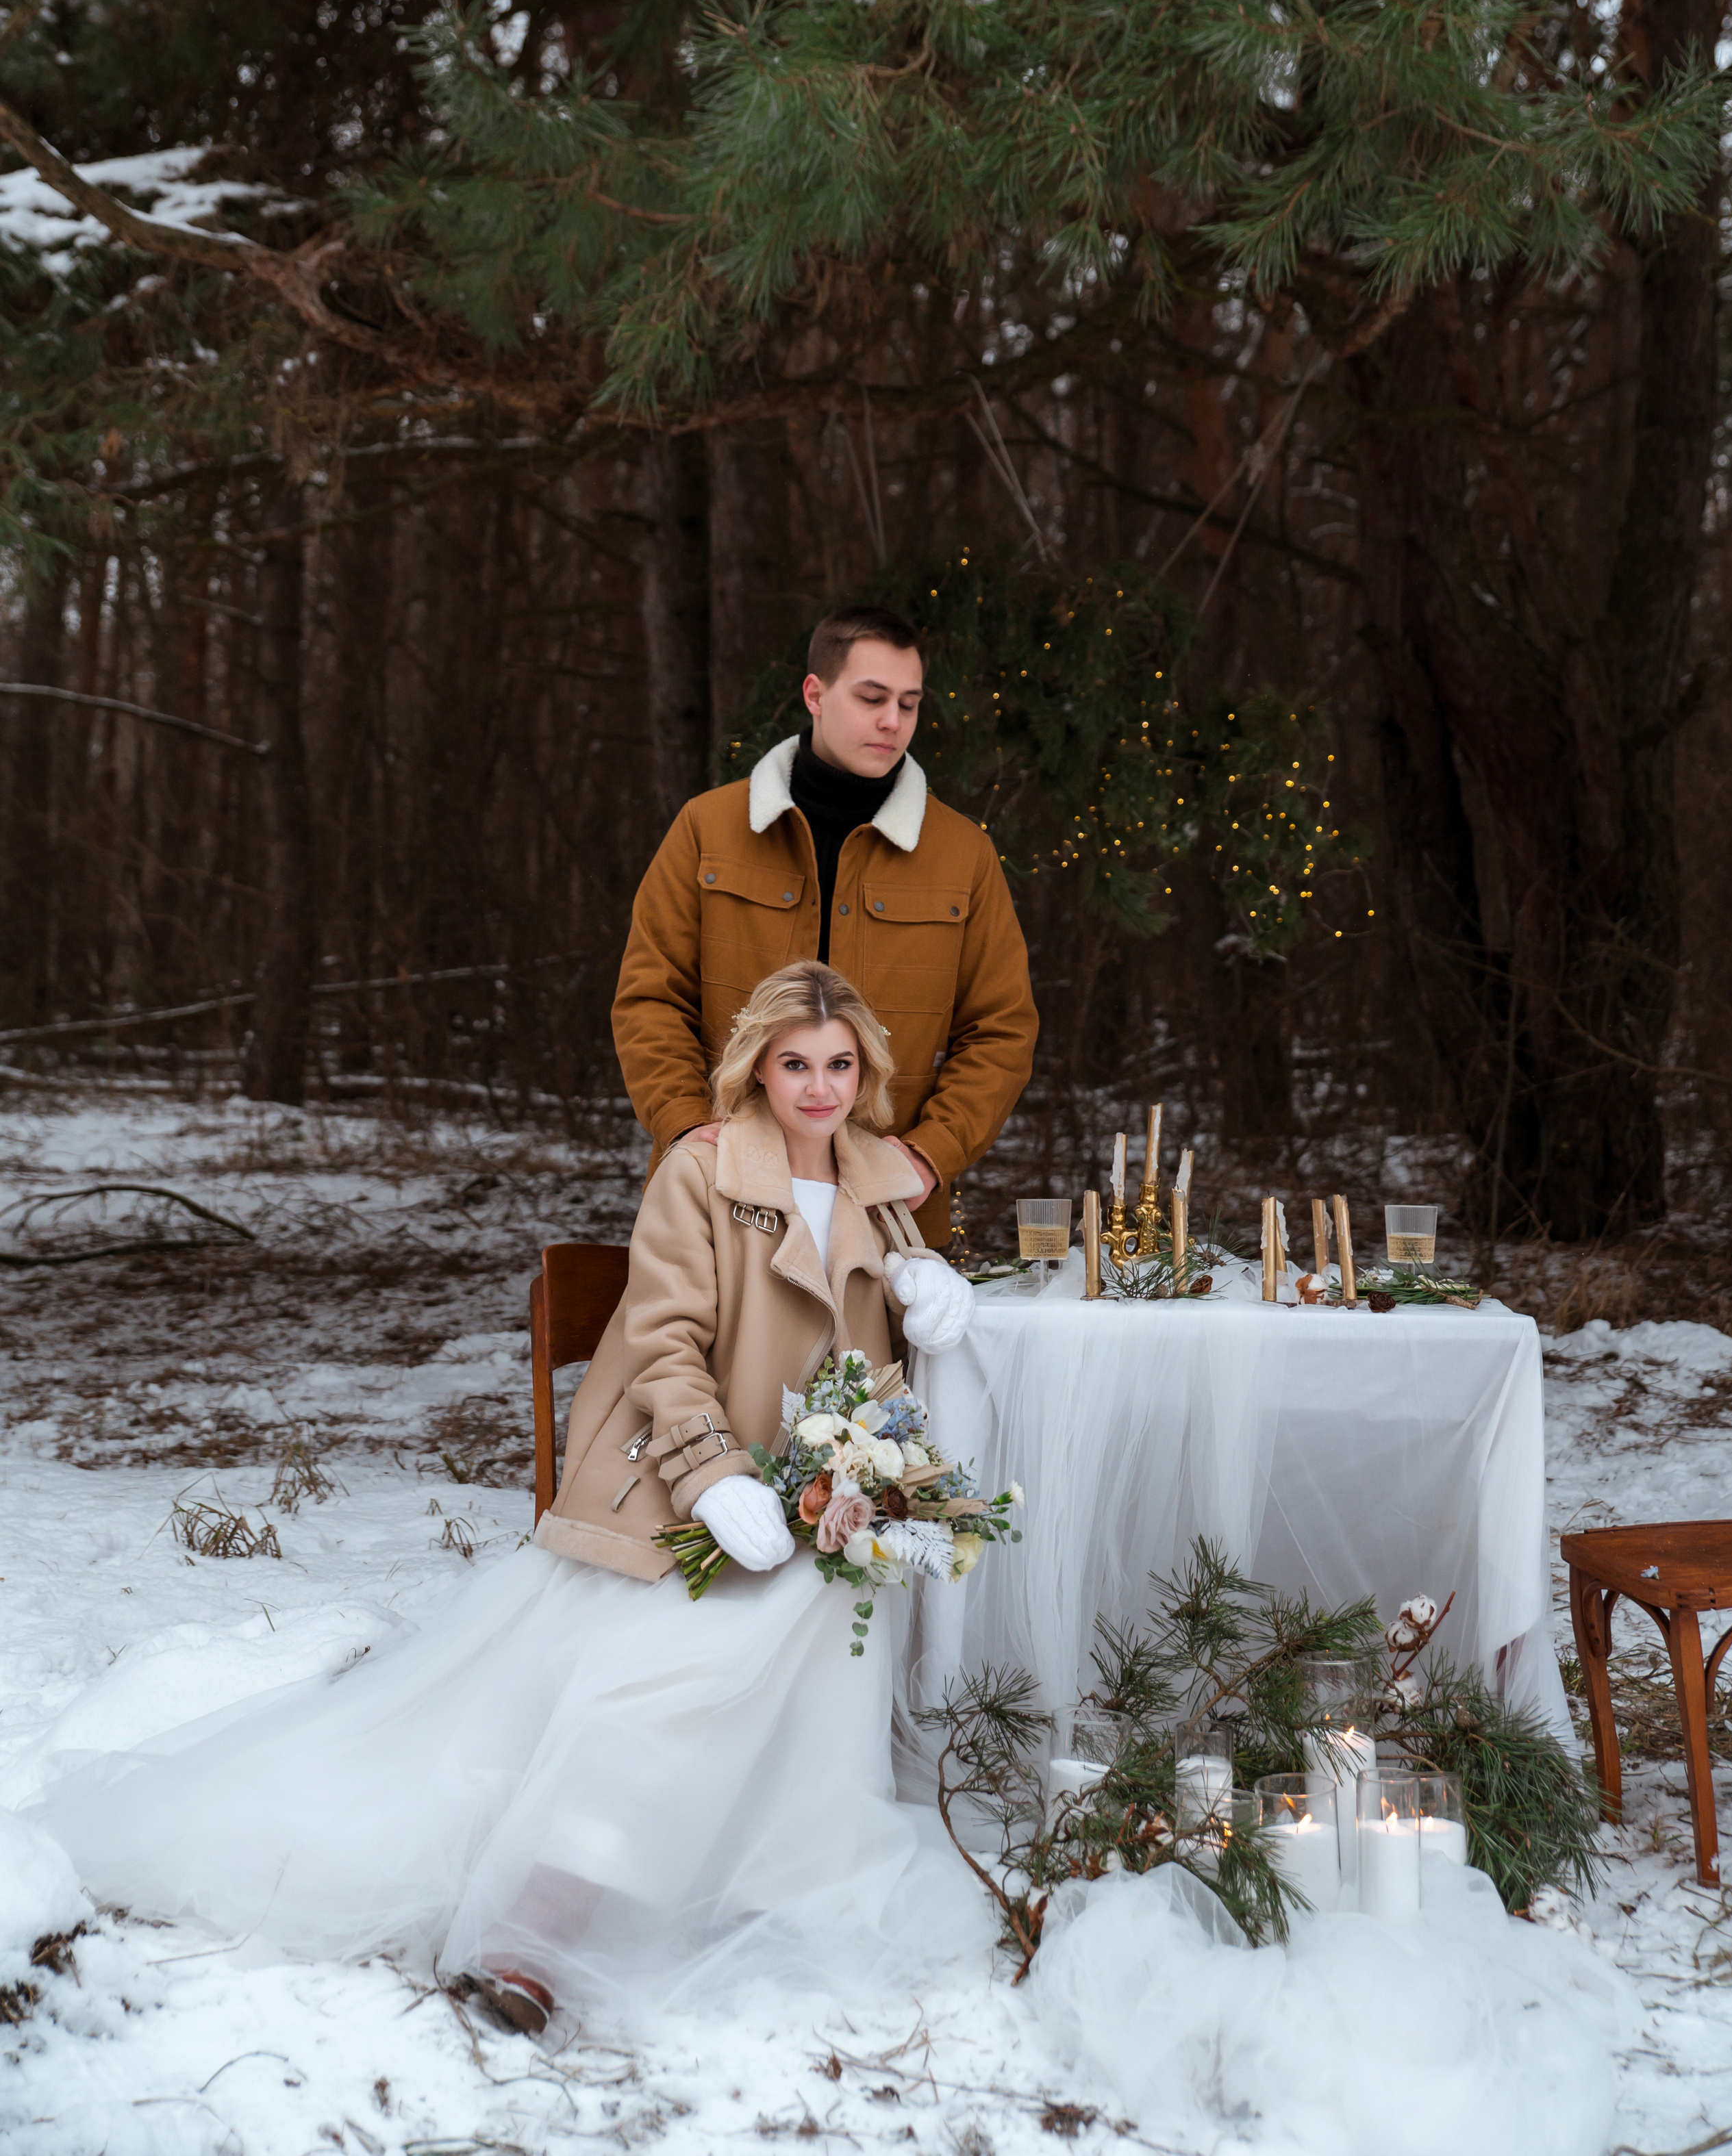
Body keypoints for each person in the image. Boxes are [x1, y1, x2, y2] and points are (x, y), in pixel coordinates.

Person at [25, 963, 983, 2034]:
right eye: (795, 1062)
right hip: (688, 1489)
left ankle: (770, 1891)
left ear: (868, 1069)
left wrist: (925, 1299)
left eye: (840, 1063)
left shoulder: (882, 1182)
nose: (819, 1087)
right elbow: (664, 1341)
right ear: (756, 1065)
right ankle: (533, 1933)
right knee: (674, 1676)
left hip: (818, 1501)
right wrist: (714, 1477)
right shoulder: (703, 1169)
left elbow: (863, 1361)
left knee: (831, 1622)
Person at [613, 605, 1038, 1251]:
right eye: (872, 697)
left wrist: (929, 1154)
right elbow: (651, 998)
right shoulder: (707, 828)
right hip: (718, 1199)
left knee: (879, 1360)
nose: (893, 722)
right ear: (815, 693)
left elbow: (1002, 1031)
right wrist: (683, 1126)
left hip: (886, 1214)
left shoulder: (963, 854)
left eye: (909, 703)